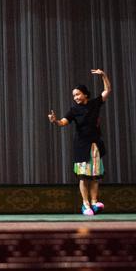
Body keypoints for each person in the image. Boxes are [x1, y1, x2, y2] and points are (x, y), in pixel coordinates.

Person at [47, 69, 111, 216]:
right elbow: (63, 122)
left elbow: (107, 90)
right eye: (74, 95)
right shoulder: (74, 110)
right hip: (81, 146)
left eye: (77, 94)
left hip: (95, 145)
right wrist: (55, 121)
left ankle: (94, 202)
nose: (75, 97)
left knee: (95, 176)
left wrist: (103, 75)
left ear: (85, 94)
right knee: (83, 176)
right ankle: (85, 204)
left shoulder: (94, 103)